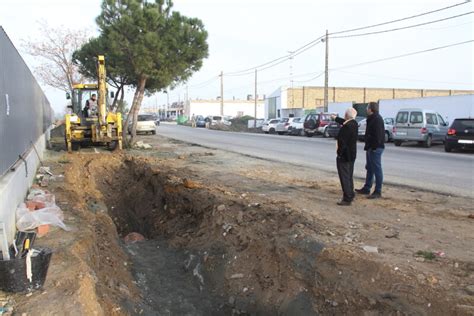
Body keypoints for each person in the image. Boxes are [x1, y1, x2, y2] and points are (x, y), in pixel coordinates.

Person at [356, 101, 385, 199]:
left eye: (367, 107)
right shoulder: (371, 118)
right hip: (370, 147)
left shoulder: (377, 119)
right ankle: (367, 188)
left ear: (371, 109)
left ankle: (378, 191)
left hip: (375, 148)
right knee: (369, 168)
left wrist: (373, 147)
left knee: (377, 169)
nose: (366, 109)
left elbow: (378, 135)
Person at [333, 108, 358, 206]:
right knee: (349, 175)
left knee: (344, 177)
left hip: (345, 156)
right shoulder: (354, 124)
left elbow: (342, 142)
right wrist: (336, 118)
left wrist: (339, 154)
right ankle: (351, 194)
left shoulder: (346, 127)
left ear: (346, 115)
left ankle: (347, 198)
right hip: (351, 155)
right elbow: (345, 122)